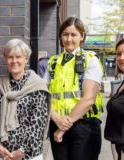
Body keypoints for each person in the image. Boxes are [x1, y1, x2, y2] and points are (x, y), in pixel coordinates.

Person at [43, 17, 104, 160]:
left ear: (82, 36)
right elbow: (43, 95)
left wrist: (62, 127)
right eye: (65, 34)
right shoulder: (52, 62)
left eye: (73, 34)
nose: (69, 39)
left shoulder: (91, 60)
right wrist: (57, 119)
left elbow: (88, 99)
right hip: (57, 123)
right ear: (60, 36)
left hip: (84, 127)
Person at [0, 39, 50, 160]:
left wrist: (22, 151)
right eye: (10, 57)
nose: (14, 61)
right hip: (3, 153)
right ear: (5, 59)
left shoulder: (37, 85)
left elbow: (38, 123)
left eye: (18, 57)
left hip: (30, 154)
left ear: (26, 59)